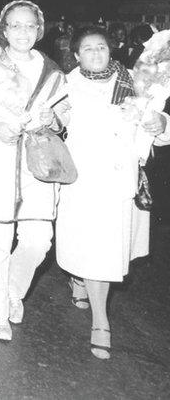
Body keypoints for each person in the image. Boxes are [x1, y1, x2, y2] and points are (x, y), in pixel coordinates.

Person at [55, 26, 170, 359]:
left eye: (101, 47)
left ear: (111, 50)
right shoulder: (65, 86)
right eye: (87, 49)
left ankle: (94, 307)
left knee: (103, 251)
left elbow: (156, 121)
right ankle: (100, 320)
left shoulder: (134, 81)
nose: (95, 53)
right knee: (90, 248)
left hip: (118, 180)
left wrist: (160, 124)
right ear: (76, 55)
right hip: (82, 181)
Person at [0, 0, 70, 341]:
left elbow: (66, 112)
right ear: (3, 31)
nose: (23, 32)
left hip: (37, 162)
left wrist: (57, 119)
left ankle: (12, 292)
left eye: (30, 26)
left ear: (40, 30)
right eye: (15, 26)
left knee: (39, 241)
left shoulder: (53, 72)